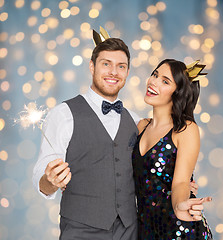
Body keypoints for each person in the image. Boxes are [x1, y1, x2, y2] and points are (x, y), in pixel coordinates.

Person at [32, 28, 203, 240]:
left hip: (131, 232)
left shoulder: (136, 122)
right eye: (106, 64)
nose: (113, 72)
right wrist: (49, 182)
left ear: (127, 72)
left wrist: (180, 191)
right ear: (92, 66)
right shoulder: (63, 114)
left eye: (120, 66)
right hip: (80, 232)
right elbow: (43, 169)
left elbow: (157, 170)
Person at [132, 59, 213, 239]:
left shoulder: (185, 129)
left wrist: (180, 206)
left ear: (178, 93)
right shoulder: (140, 126)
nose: (153, 81)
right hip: (145, 231)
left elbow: (181, 183)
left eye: (165, 81)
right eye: (155, 74)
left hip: (179, 230)